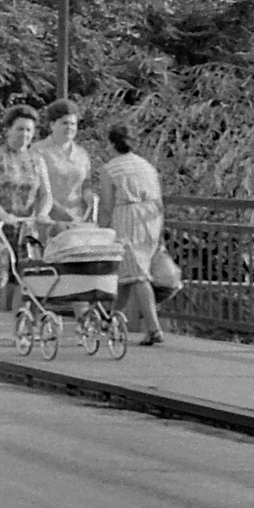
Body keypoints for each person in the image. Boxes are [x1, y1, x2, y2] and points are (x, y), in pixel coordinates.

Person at [0, 106, 52, 337]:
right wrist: (3, 215)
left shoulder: (37, 159)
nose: (24, 134)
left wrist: (42, 214)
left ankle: (22, 323)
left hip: (26, 225)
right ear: (8, 130)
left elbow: (46, 193)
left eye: (29, 130)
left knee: (27, 277)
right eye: (19, 129)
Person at [98, 123, 165, 345]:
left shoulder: (110, 169)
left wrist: (101, 230)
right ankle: (109, 319)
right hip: (151, 216)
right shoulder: (146, 166)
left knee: (136, 274)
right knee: (127, 272)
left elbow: (107, 205)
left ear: (110, 144)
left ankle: (154, 328)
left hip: (127, 215)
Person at [33, 98, 93, 223]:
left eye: (73, 124)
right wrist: (61, 212)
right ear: (52, 124)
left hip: (77, 218)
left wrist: (90, 197)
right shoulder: (38, 151)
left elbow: (85, 185)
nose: (69, 128)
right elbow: (35, 190)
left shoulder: (82, 154)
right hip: (47, 219)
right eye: (64, 123)